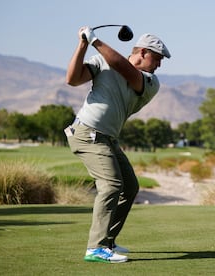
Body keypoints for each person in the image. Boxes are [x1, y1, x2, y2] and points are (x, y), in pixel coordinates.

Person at [65, 26, 171, 263]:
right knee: (112, 184)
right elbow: (72, 80)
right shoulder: (101, 61)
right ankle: (96, 248)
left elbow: (125, 69)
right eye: (157, 58)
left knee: (129, 187)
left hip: (107, 138)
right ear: (143, 52)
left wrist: (95, 40)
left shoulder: (150, 81)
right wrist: (83, 44)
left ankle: (108, 240)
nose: (160, 65)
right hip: (87, 133)